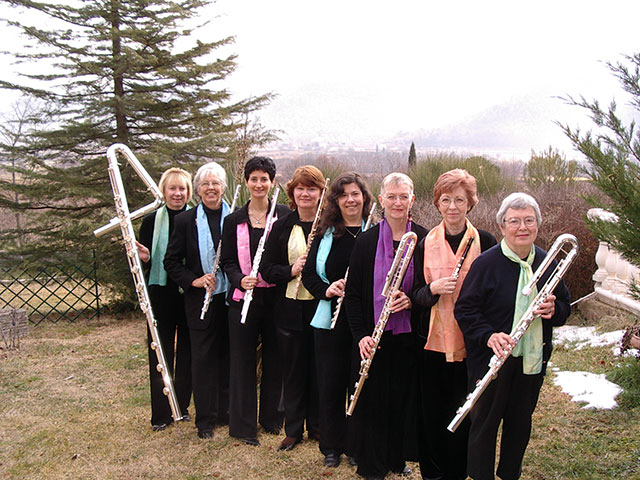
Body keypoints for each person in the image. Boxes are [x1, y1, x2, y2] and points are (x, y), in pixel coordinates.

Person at [454, 192, 571, 480]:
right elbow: (465, 310)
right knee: (484, 424)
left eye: (529, 220)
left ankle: (509, 474)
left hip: (530, 362)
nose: (522, 227)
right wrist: (489, 335)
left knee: (519, 424)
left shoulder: (548, 262)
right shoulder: (486, 263)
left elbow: (566, 309)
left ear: (537, 225)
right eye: (514, 221)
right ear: (502, 226)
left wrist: (554, 310)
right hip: (491, 360)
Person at [411, 169, 497, 480]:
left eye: (459, 200)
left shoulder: (485, 241)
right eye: (446, 199)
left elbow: (495, 293)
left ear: (470, 203)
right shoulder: (424, 242)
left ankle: (459, 472)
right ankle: (433, 473)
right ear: (436, 203)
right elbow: (413, 296)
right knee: (432, 412)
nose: (452, 207)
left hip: (471, 342)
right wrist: (432, 291)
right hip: (431, 341)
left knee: (465, 413)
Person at [344, 172, 427, 480]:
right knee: (372, 403)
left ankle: (396, 458)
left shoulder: (423, 237)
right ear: (380, 200)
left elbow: (426, 288)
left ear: (412, 200)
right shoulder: (366, 241)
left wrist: (412, 299)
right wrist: (360, 336)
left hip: (407, 336)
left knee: (401, 400)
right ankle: (372, 465)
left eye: (403, 196)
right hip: (372, 337)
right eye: (391, 196)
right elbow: (353, 296)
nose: (397, 202)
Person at [302, 172, 374, 468]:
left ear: (364, 198)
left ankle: (356, 446)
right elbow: (307, 275)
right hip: (329, 320)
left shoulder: (375, 234)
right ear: (336, 200)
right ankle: (331, 446)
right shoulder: (324, 233)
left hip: (363, 323)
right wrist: (327, 289)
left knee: (359, 386)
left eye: (355, 193)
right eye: (343, 195)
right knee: (330, 385)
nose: (350, 199)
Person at [219, 156, 289, 446]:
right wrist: (239, 279)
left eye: (264, 179)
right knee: (242, 360)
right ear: (246, 182)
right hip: (242, 298)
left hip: (275, 297)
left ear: (272, 183)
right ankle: (243, 425)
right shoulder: (233, 219)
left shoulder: (284, 214)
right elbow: (227, 260)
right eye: (254, 178)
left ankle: (272, 419)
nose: (259, 184)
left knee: (275, 358)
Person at [164, 161, 231, 439]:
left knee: (227, 357)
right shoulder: (184, 221)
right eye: (205, 184)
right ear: (198, 189)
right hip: (199, 299)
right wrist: (195, 280)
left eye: (216, 183)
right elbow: (171, 262)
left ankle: (226, 412)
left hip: (229, 297)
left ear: (224, 188)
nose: (211, 188)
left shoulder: (236, 217)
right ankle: (205, 420)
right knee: (203, 360)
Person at [259, 165, 325, 451]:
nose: (305, 193)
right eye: (300, 188)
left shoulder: (329, 225)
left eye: (312, 188)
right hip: (289, 310)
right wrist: (290, 270)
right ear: (292, 192)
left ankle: (320, 427)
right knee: (294, 370)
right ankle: (294, 428)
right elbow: (266, 269)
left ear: (321, 192)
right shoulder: (282, 226)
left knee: (320, 369)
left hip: (322, 307)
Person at [136, 167, 194, 431]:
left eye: (182, 188)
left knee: (187, 353)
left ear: (188, 191)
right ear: (164, 191)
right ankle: (161, 413)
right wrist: (145, 258)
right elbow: (145, 261)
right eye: (172, 188)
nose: (177, 193)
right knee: (159, 354)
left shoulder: (196, 218)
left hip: (188, 293)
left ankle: (181, 407)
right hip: (160, 293)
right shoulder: (150, 222)